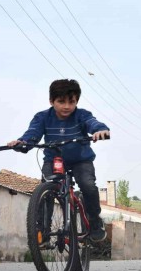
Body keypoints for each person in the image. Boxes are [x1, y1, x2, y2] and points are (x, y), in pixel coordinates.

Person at [7, 79, 110, 242]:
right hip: (54, 160)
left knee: (88, 185)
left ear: (77, 101)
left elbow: (93, 123)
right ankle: (42, 232)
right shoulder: (42, 117)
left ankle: (95, 222)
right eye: (61, 101)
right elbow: (32, 134)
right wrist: (22, 143)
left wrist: (100, 131)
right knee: (46, 191)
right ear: (51, 101)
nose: (67, 106)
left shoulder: (82, 115)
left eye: (72, 102)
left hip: (80, 161)